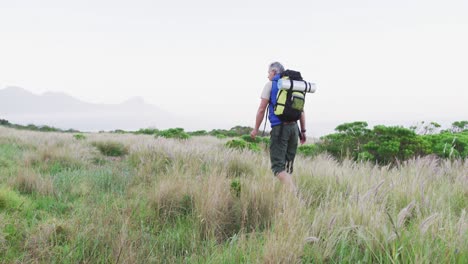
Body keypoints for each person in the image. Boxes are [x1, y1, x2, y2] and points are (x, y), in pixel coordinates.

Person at [250, 62, 307, 192]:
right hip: (294, 129)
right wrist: (303, 131)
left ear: (274, 72)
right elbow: (301, 110)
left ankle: (296, 197)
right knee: (287, 167)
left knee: (278, 169)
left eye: (269, 72)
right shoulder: (293, 86)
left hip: (279, 129)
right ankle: (287, 201)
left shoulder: (271, 85)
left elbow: (261, 109)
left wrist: (255, 129)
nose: (267, 75)